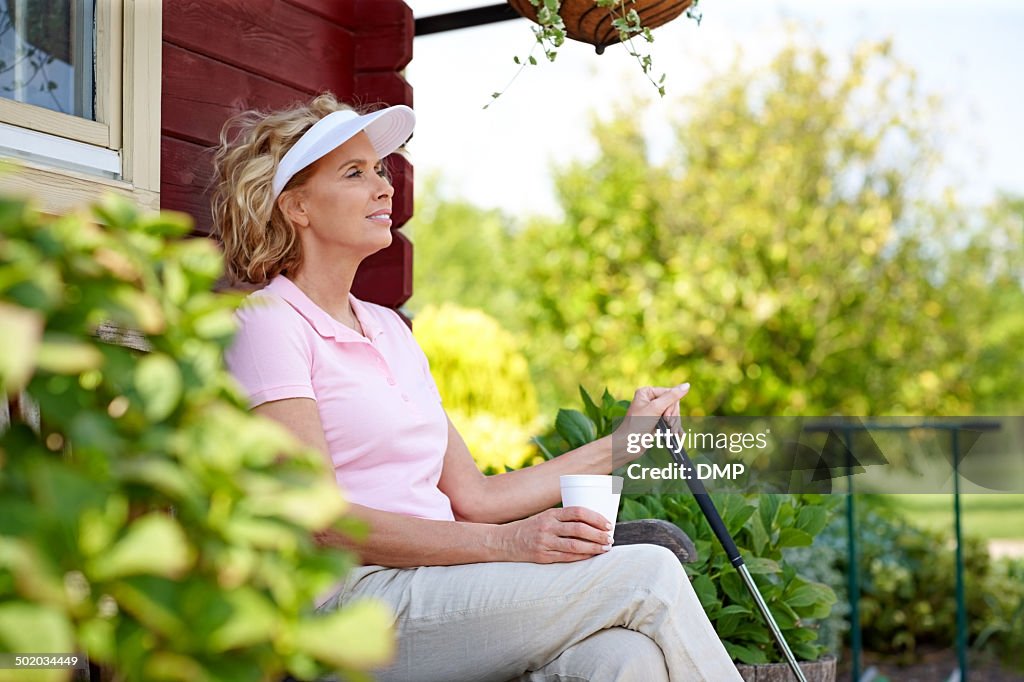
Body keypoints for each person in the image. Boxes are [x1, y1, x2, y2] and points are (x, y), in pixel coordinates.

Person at [213, 92, 742, 682]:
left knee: (625, 658)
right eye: (355, 173)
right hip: (349, 607)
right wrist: (507, 545)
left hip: (439, 587)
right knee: (650, 573)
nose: (384, 188)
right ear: (297, 207)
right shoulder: (268, 323)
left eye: (381, 171)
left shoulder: (389, 329)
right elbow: (323, 522)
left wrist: (621, 446)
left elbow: (477, 499)